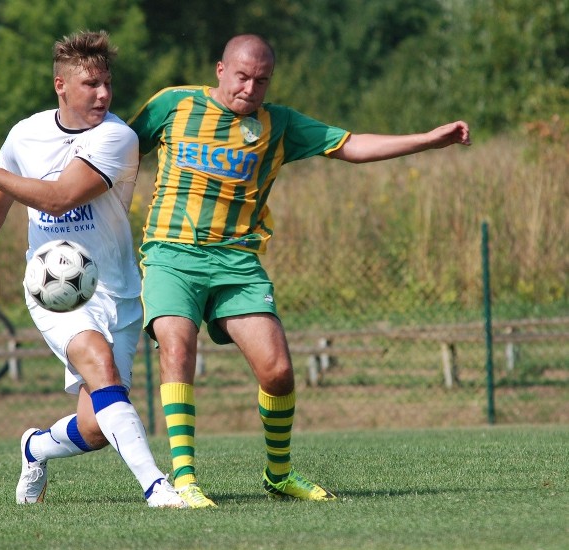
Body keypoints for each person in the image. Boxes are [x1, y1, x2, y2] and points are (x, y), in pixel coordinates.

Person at [126, 33, 471, 508]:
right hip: (170, 254)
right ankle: (184, 481)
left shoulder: (280, 124)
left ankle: (279, 474)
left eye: (261, 80)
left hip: (237, 263)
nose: (250, 88)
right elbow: (118, 148)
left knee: (279, 371)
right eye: (242, 76)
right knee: (177, 349)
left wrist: (427, 141)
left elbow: (350, 145)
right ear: (221, 70)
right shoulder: (173, 105)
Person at [0, 30, 185, 508]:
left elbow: (59, 196)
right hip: (55, 287)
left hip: (116, 290)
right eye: (91, 84)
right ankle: (157, 485)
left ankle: (35, 446)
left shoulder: (117, 137)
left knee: (95, 427)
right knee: (100, 364)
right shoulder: (25, 134)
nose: (103, 94)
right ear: (61, 85)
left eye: (107, 83)